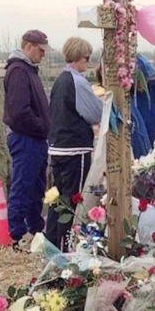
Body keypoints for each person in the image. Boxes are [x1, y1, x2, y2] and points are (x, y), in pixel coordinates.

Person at [44, 37, 103, 250]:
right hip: (75, 149)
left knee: (56, 200)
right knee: (72, 201)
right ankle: (66, 247)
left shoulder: (60, 80)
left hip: (57, 147)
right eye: (87, 59)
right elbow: (95, 112)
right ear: (78, 57)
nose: (88, 64)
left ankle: (50, 245)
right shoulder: (77, 81)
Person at [3, 29, 51, 246]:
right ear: (29, 46)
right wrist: (41, 126)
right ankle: (17, 233)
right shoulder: (18, 72)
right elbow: (19, 112)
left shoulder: (29, 70)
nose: (43, 55)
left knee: (36, 186)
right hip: (26, 138)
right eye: (41, 50)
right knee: (23, 185)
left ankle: (35, 228)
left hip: (35, 138)